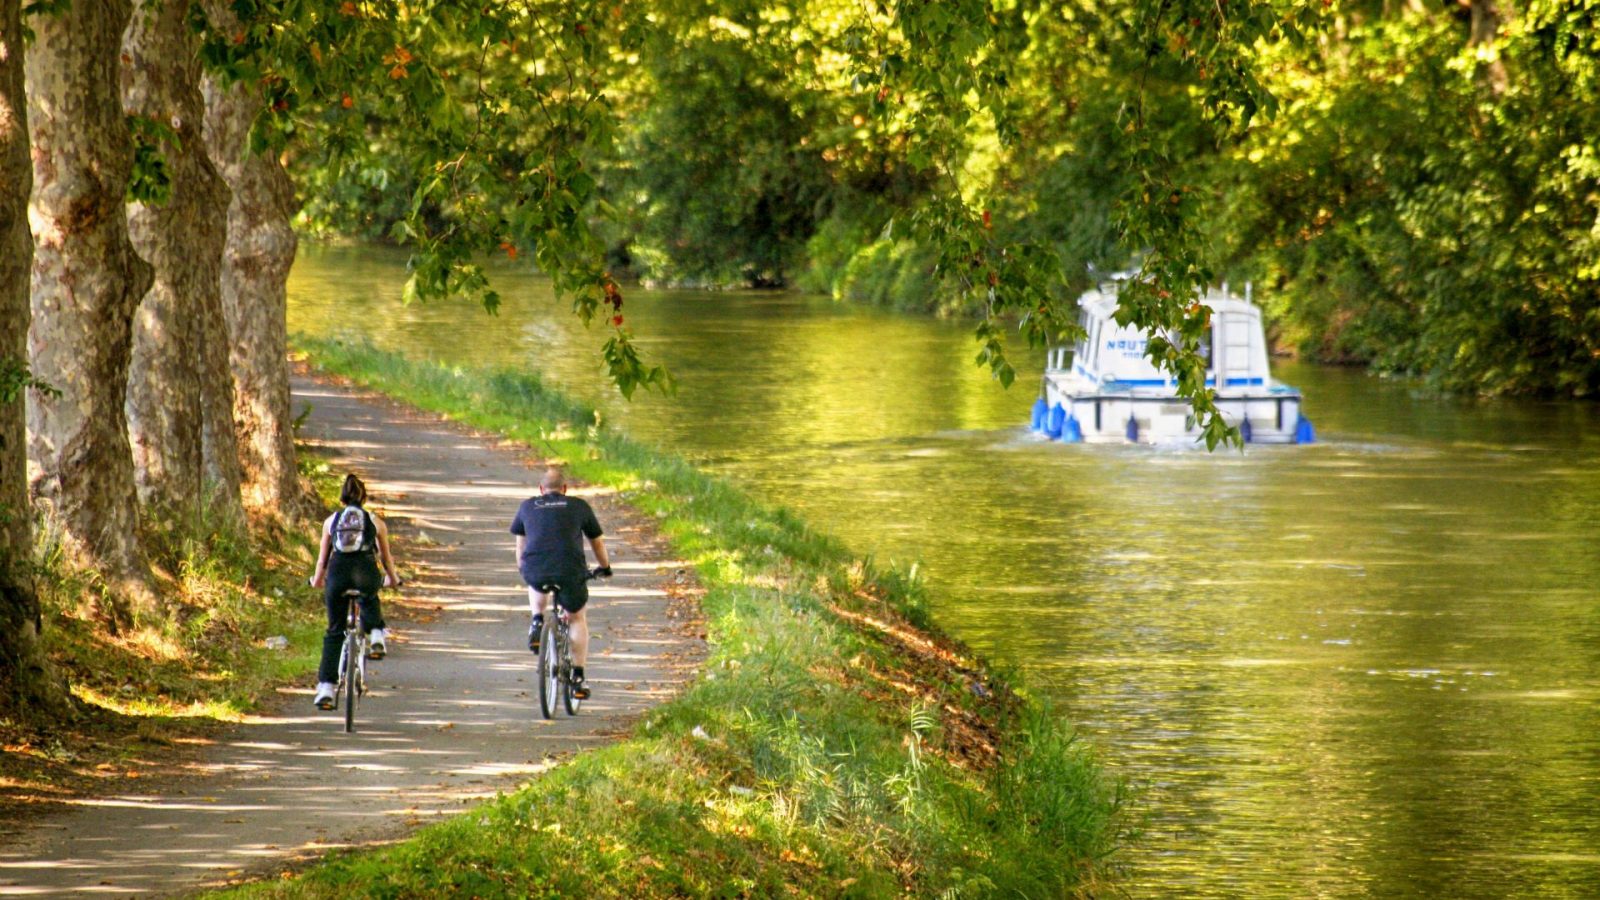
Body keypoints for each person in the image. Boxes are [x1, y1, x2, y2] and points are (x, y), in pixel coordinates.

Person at [510, 466, 611, 700]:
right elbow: (597, 543)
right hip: (570, 570)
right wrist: (605, 567)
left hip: (537, 568)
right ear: (565, 489)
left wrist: (524, 569)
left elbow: (520, 546)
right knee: (576, 618)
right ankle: (577, 676)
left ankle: (537, 620)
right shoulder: (579, 506)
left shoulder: (527, 506)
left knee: (535, 578)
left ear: (540, 489)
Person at [309, 474, 401, 710]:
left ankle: (326, 689)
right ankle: (378, 635)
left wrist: (317, 581)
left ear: (342, 497)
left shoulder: (331, 521)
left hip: (338, 576)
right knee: (369, 593)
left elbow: (322, 561)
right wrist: (392, 578)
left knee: (334, 632)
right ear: (364, 497)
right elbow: (385, 557)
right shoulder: (375, 521)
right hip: (366, 572)